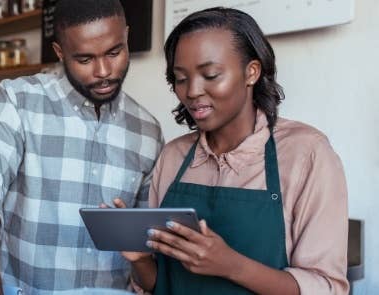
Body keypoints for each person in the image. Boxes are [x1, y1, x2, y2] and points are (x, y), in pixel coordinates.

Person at [119, 7, 349, 295]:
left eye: (211, 75)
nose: (192, 91)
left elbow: (326, 288)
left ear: (251, 72)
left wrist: (232, 266)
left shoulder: (307, 154)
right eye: (180, 78)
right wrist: (139, 260)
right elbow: (161, 284)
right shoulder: (173, 156)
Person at [0, 0, 164, 294]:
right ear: (60, 53)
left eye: (114, 52)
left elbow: (143, 248)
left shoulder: (147, 130)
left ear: (126, 36)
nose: (103, 70)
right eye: (85, 59)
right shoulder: (18, 100)